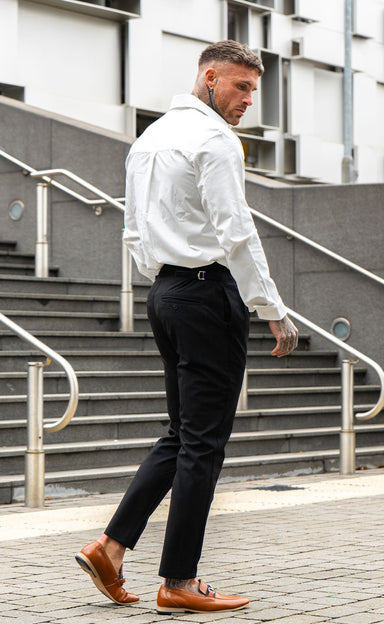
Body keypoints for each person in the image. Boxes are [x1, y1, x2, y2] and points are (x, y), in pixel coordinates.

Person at [76, 39, 298, 615]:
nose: (249, 100)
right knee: (203, 443)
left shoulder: (150, 137)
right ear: (209, 78)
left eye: (254, 89)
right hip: (206, 294)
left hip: (166, 293)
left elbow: (132, 228)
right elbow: (236, 228)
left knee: (182, 434)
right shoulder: (214, 139)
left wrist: (164, 279)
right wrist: (270, 306)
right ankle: (179, 581)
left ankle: (110, 548)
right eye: (241, 86)